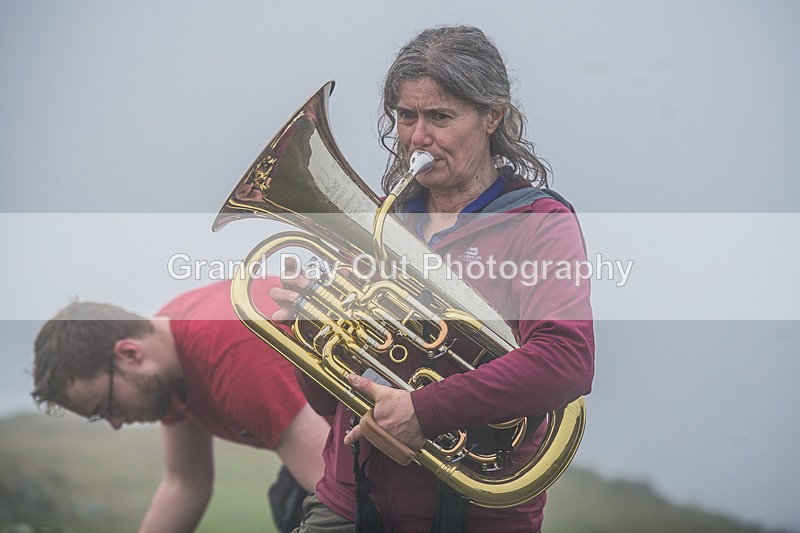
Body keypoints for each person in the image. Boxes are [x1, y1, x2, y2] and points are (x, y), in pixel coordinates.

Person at [270, 25, 595, 533]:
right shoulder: (379, 222)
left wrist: (425, 410)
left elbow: (566, 359)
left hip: (479, 518)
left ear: (493, 116)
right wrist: (309, 331)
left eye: (440, 117)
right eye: (406, 116)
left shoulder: (540, 223)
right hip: (348, 507)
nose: (418, 138)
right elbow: (331, 401)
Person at [31, 277, 330, 533]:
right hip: (334, 451)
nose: (117, 423)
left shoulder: (225, 353)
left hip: (365, 433)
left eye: (107, 407)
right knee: (288, 502)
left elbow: (335, 490)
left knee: (299, 508)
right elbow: (185, 483)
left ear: (130, 354)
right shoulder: (165, 359)